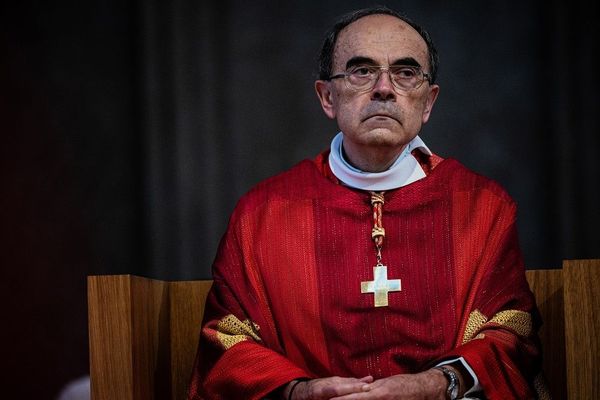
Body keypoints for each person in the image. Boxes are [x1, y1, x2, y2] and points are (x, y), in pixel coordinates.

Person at [188, 6, 546, 400]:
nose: (384, 88)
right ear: (327, 97)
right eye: (362, 71)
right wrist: (297, 393)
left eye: (405, 73)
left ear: (428, 102)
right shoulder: (261, 216)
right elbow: (227, 340)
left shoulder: (481, 209)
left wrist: (432, 385)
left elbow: (512, 332)